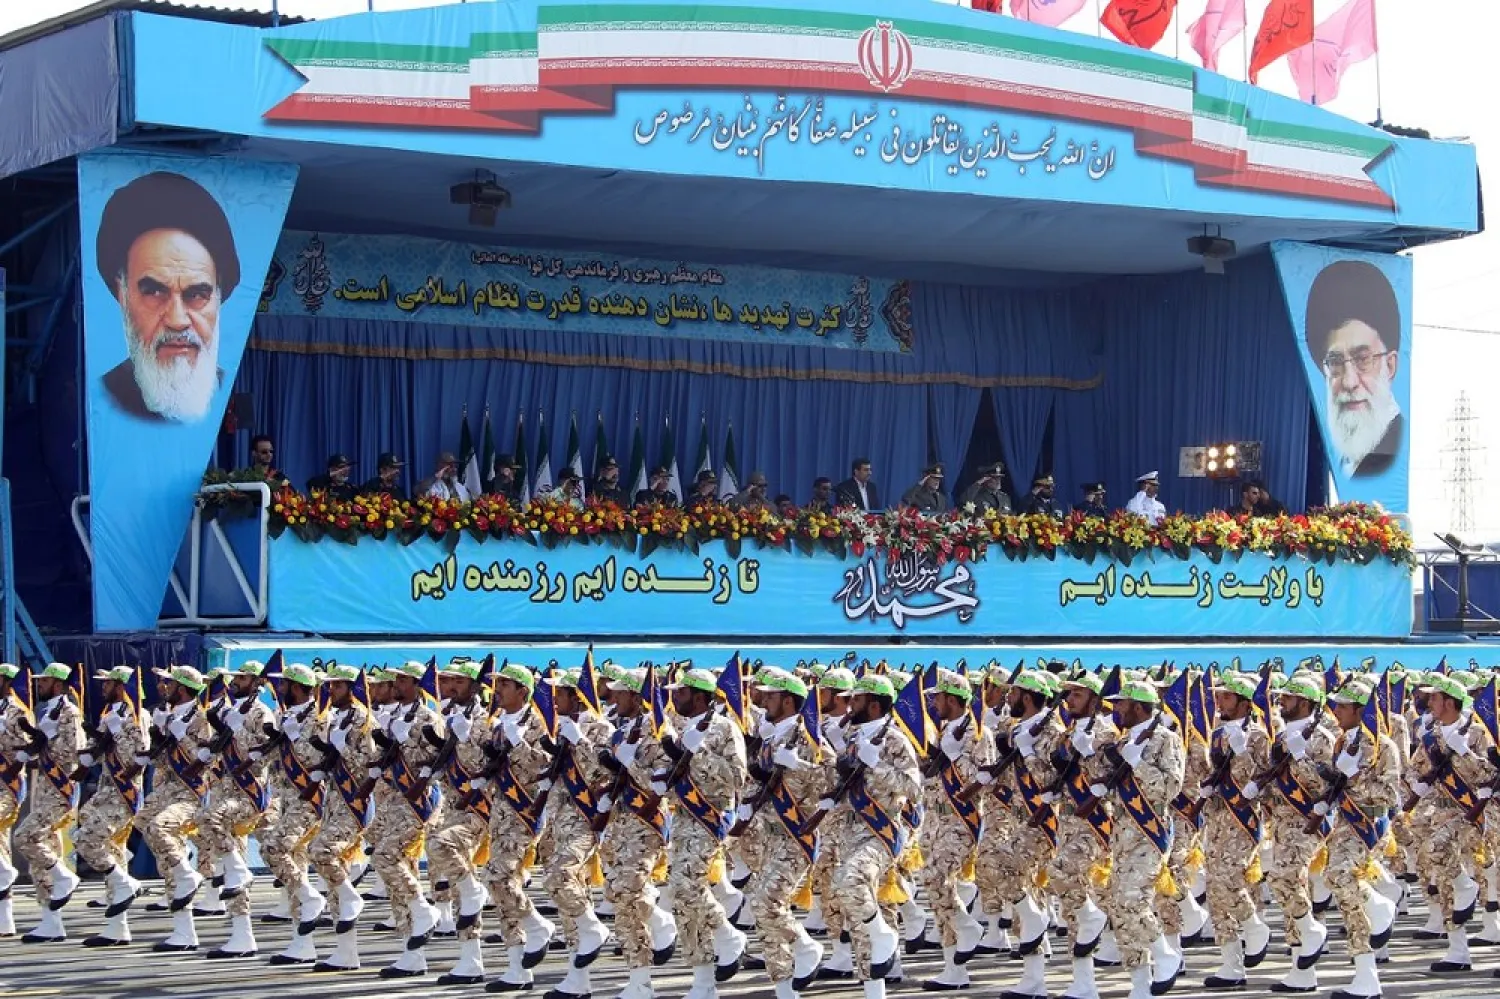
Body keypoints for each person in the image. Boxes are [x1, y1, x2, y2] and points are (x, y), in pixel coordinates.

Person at [95, 171, 237, 423]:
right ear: (122, 293)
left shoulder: (229, 390)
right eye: (155, 292)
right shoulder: (102, 394)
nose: (177, 320)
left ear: (218, 297)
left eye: (197, 295)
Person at [827, 673, 921, 999]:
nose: (850, 704)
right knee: (857, 917)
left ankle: (883, 934)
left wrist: (876, 762)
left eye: (857, 699)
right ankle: (874, 989)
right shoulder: (854, 735)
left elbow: (913, 789)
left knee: (849, 880)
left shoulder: (894, 740)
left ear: (875, 704)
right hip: (849, 829)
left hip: (880, 831)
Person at [1093, 674, 1185, 999]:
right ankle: (1140, 984)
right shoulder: (1122, 742)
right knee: (1119, 907)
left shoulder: (1164, 739)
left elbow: (1170, 788)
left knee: (1133, 900)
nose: (1116, 708)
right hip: (1121, 836)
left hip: (1149, 833)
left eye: (1121, 703)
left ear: (1137, 706)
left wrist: (1138, 764)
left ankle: (1165, 953)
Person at [659, 667, 750, 997]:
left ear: (700, 696)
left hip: (710, 818)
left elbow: (738, 778)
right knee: (683, 900)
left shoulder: (725, 729)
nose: (674, 697)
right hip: (683, 819)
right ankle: (703, 980)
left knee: (686, 884)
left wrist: (700, 752)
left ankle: (729, 935)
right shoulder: (683, 726)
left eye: (681, 693)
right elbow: (681, 775)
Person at [740, 667, 829, 999]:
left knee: (766, 902)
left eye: (771, 695)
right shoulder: (771, 735)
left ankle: (806, 948)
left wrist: (800, 766)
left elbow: (834, 782)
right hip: (767, 835)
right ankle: (783, 986)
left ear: (789, 701)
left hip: (796, 835)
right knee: (763, 908)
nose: (763, 699)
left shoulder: (807, 738)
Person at [595, 667, 678, 999]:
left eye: (619, 692)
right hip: (618, 820)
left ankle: (656, 934)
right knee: (618, 894)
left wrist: (631, 764)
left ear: (636, 695)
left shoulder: (660, 731)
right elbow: (619, 777)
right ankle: (640, 971)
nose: (613, 697)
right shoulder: (621, 730)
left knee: (629, 888)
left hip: (646, 821)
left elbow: (661, 784)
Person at [481, 663, 558, 993]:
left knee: (497, 877)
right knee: (501, 888)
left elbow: (545, 766)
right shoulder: (498, 723)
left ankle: (538, 926)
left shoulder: (537, 723)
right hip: (499, 813)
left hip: (525, 813)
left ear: (522, 691)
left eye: (505, 685)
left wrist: (518, 743)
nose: (497, 690)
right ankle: (516, 967)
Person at [195, 658, 278, 960]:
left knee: (209, 820)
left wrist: (244, 747)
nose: (235, 682)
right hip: (224, 792)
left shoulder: (262, 713)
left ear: (256, 683)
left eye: (242, 678)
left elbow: (267, 756)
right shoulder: (230, 709)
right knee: (231, 870)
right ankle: (242, 936)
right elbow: (217, 747)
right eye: (236, 677)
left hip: (248, 794)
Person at [368, 660, 446, 978]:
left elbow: (440, 760)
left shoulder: (429, 717)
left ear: (417, 685)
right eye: (396, 679)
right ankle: (412, 954)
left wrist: (409, 743)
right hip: (392, 799)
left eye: (403, 680)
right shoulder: (395, 716)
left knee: (387, 858)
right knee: (401, 871)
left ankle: (424, 909)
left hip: (418, 801)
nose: (396, 684)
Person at [917, 669, 993, 991]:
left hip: (962, 821)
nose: (933, 702)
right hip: (933, 821)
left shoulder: (978, 734)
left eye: (937, 697)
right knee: (936, 893)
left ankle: (968, 926)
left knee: (935, 878)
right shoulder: (940, 730)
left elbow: (986, 780)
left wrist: (952, 759)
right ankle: (953, 970)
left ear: (952, 699)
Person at [1197, 670, 1273, 990]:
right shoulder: (1217, 733)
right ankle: (1231, 963)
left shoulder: (1257, 736)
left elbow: (1264, 782)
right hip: (1216, 821)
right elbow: (1217, 772)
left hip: (1243, 821)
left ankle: (1255, 927)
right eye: (1218, 696)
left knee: (1228, 881)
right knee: (1215, 891)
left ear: (1244, 702)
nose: (1220, 701)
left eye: (1226, 696)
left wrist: (1242, 753)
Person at [133, 665, 214, 951]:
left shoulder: (201, 718)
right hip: (166, 788)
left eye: (169, 683)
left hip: (191, 793)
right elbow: (161, 758)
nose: (164, 687)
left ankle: (187, 872)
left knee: (159, 828)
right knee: (143, 822)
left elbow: (205, 760)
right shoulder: (169, 713)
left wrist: (181, 736)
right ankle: (183, 931)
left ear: (182, 688)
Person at [427, 658, 495, 986]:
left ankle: (473, 889)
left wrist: (466, 739)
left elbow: (492, 766)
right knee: (454, 886)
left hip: (482, 808)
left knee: (441, 847)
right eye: (447, 680)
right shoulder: (450, 714)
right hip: (454, 806)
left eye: (457, 681)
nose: (450, 687)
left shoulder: (487, 719)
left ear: (473, 685)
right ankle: (471, 960)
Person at [1304, 260, 1404, 477]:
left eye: (1362, 359)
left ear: (1390, 365)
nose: (1349, 382)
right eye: (1336, 362)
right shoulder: (1344, 458)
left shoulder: (1396, 446)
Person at [306, 663, 375, 973]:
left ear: (351, 688)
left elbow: (369, 764)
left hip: (355, 802)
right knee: (335, 875)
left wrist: (341, 747)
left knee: (320, 851)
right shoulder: (338, 717)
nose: (330, 691)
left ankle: (352, 897)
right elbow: (335, 757)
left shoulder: (363, 720)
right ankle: (346, 953)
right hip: (335, 800)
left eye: (336, 686)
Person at [258, 662, 328, 967]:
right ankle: (302, 943)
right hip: (286, 796)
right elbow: (273, 757)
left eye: (285, 684)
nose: (280, 689)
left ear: (297, 686)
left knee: (273, 847)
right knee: (295, 862)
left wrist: (295, 738)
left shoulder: (320, 718)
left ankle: (312, 898)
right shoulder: (285, 715)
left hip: (309, 799)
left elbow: (325, 759)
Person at [74, 665, 148, 948]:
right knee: (113, 852)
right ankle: (117, 928)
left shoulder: (135, 715)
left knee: (88, 840)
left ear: (120, 685)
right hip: (105, 792)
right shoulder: (109, 715)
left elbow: (140, 757)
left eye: (107, 684)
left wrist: (120, 735)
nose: (102, 688)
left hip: (122, 794)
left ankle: (126, 883)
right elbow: (95, 751)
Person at [13, 663, 83, 944]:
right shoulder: (48, 711)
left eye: (43, 682)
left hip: (60, 789)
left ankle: (65, 877)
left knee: (25, 837)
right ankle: (51, 922)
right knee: (42, 856)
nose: (38, 686)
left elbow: (74, 753)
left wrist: (47, 740)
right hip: (44, 786)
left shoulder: (69, 712)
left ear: (57, 683)